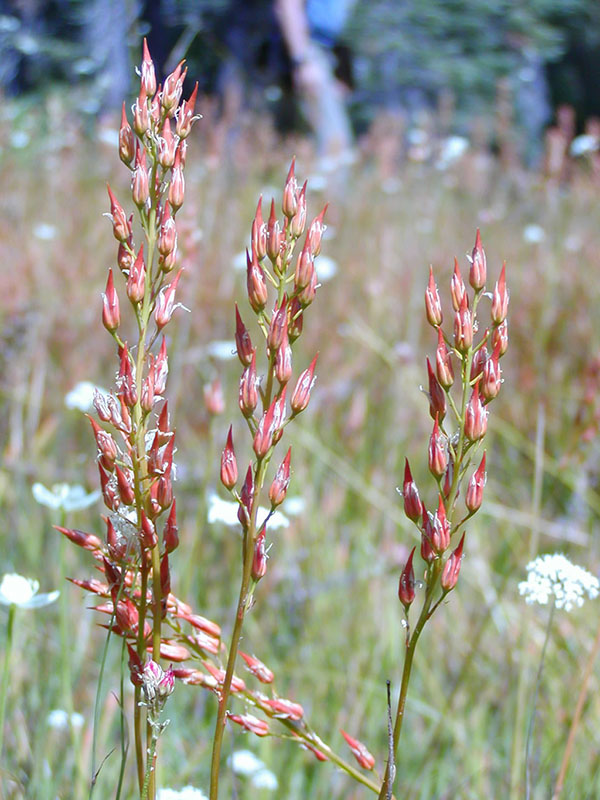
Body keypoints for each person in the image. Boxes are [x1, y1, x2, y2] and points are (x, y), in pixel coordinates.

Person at [274, 0, 354, 163]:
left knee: (320, 142)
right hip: (309, 51)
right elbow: (288, 5)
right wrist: (302, 61)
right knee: (334, 144)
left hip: (328, 54)